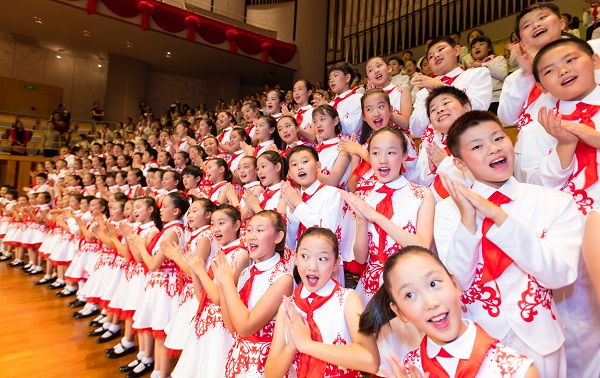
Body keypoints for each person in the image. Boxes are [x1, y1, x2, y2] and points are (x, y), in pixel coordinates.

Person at [434, 110, 582, 377]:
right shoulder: (447, 211)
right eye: (477, 146)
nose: (493, 149)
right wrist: (468, 221)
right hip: (477, 340)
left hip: (541, 339)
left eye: (498, 138)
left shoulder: (552, 201)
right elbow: (457, 283)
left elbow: (560, 275)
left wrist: (499, 217)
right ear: (461, 164)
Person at [359, 246, 538, 377]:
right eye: (410, 295)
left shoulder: (517, 371)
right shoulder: (408, 370)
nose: (431, 303)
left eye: (434, 284)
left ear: (455, 285)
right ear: (400, 312)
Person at [265, 227, 380, 377]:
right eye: (305, 256)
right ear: (295, 257)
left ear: (335, 263)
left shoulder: (347, 299)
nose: (312, 267)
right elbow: (270, 373)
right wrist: (292, 347)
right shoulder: (288, 306)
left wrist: (307, 345)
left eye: (322, 259)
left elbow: (370, 360)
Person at [171, 205, 248, 378]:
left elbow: (218, 299)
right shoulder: (220, 253)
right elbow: (202, 297)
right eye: (213, 224)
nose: (216, 228)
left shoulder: (240, 255)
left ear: (236, 226)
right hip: (207, 322)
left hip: (222, 326)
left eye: (221, 223)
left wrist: (199, 270)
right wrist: (193, 268)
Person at [213, 210, 293, 377]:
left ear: (278, 237)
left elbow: (245, 327)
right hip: (240, 355)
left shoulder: (282, 278)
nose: (251, 236)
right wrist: (222, 284)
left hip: (263, 361)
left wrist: (228, 283)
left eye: (260, 230)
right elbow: (231, 326)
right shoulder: (246, 272)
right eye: (249, 230)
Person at [129, 192, 188, 378]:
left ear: (176, 210)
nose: (160, 210)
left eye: (165, 207)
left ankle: (160, 373)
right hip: (160, 284)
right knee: (158, 331)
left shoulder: (172, 231)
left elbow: (154, 265)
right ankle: (155, 368)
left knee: (162, 332)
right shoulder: (169, 229)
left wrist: (139, 246)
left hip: (165, 285)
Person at [410, 36, 492, 138]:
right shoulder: (423, 92)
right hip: (431, 149)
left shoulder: (477, 73)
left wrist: (441, 88)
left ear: (456, 50)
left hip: (466, 142)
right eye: (430, 57)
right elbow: (415, 129)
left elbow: (478, 108)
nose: (436, 55)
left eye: (441, 49)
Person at [411, 86, 474, 202]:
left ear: (466, 108)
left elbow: (481, 178)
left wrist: (444, 163)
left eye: (446, 103)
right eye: (433, 110)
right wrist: (429, 170)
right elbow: (416, 184)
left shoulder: (479, 139)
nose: (439, 110)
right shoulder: (431, 148)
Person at [469, 35, 507, 114]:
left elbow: (502, 74)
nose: (477, 47)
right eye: (473, 46)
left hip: (496, 100)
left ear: (489, 48)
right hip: (478, 104)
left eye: (481, 44)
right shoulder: (470, 69)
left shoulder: (498, 59)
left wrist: (483, 65)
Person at [325, 61, 364, 139]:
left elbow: (353, 129)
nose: (331, 80)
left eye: (335, 75)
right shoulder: (330, 105)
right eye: (330, 78)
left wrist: (330, 111)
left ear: (347, 78)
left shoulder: (358, 98)